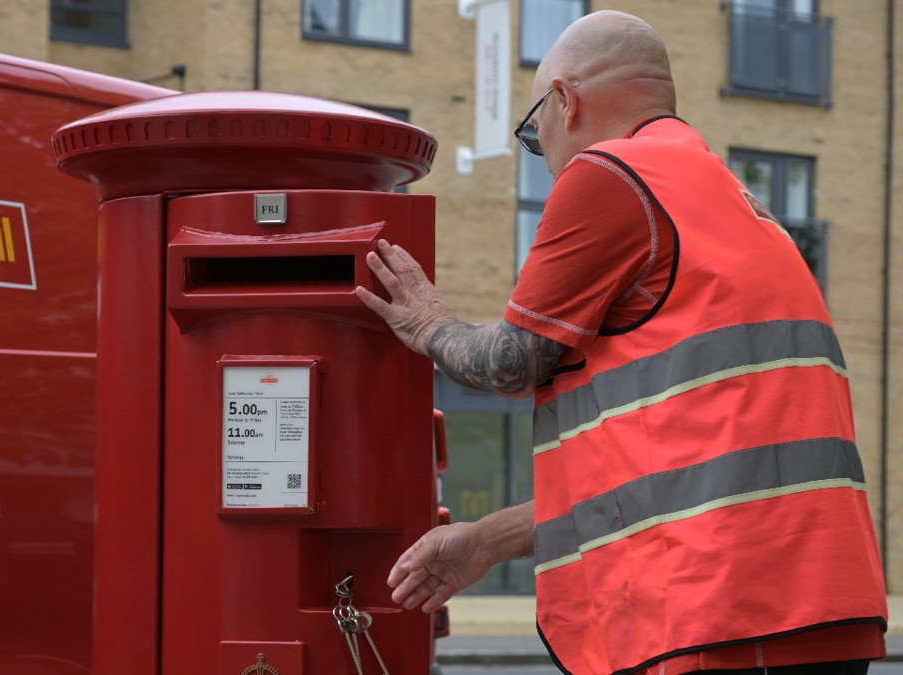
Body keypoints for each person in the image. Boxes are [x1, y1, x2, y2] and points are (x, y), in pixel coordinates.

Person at [355, 9, 888, 675]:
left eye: (532, 136)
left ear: (563, 101)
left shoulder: (611, 174)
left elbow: (513, 362)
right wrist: (485, 542)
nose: (545, 159)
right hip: (822, 613)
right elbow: (668, 479)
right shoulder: (737, 202)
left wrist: (428, 324)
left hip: (713, 614)